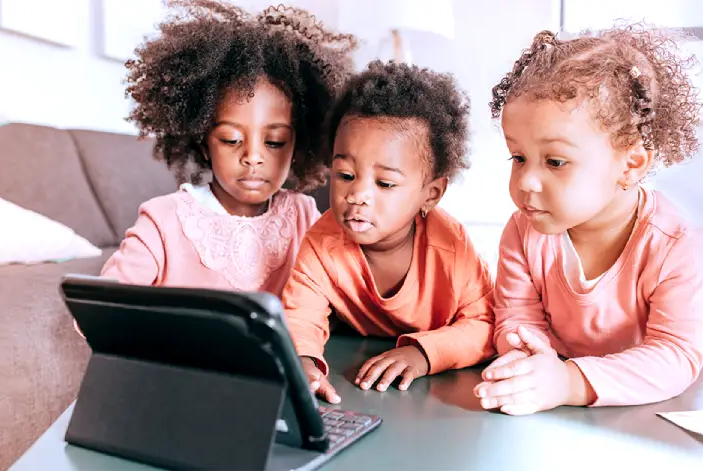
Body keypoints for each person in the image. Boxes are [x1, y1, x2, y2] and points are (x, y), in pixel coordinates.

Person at [473, 23, 703, 416]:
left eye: (555, 162)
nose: (527, 181)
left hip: (680, 334)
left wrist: (569, 382)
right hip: (582, 346)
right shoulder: (523, 231)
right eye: (518, 158)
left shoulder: (675, 241)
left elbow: (674, 355)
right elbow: (517, 318)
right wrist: (527, 359)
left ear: (631, 164)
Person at [98, 0, 356, 296]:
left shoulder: (304, 216)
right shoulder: (162, 221)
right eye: (232, 140)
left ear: (298, 144)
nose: (253, 158)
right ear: (204, 143)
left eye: (274, 142)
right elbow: (103, 307)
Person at [282, 61, 495, 404]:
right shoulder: (322, 241)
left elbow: (486, 325)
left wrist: (424, 355)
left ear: (432, 194)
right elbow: (300, 315)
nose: (357, 195)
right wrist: (303, 361)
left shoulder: (451, 249)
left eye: (385, 183)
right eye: (345, 174)